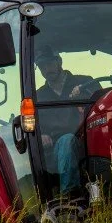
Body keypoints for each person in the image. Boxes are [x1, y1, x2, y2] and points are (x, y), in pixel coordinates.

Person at [33, 47, 101, 195]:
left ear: (59, 61)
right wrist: (41, 135)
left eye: (49, 63)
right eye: (42, 66)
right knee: (66, 141)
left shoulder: (86, 83)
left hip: (88, 139)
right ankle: (70, 197)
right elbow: (32, 125)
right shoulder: (38, 96)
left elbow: (102, 106)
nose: (46, 69)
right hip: (58, 148)